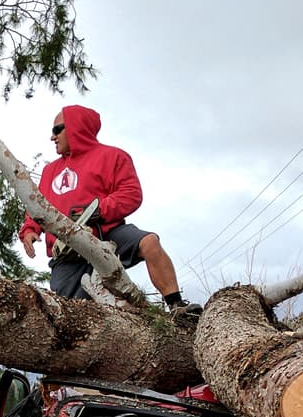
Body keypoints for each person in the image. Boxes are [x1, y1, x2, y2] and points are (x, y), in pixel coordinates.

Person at [18, 104, 200, 315]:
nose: (52, 137)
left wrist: (98, 210)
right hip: (67, 251)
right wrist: (30, 230)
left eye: (57, 129)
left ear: (76, 127)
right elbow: (37, 206)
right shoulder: (50, 171)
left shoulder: (113, 156)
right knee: (69, 314)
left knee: (149, 242)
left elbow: (131, 194)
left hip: (108, 234)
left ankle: (177, 307)